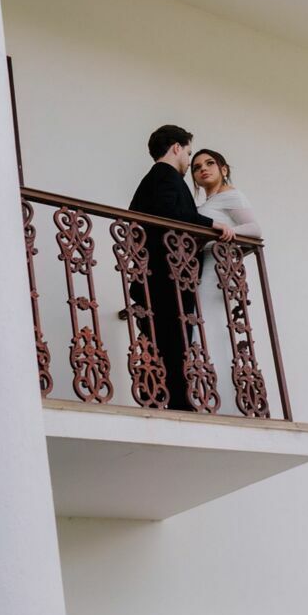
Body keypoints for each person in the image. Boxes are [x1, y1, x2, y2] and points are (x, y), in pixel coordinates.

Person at [129, 125, 233, 411]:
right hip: (167, 276)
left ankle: (165, 400)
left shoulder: (154, 179)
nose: (189, 162)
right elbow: (174, 215)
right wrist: (213, 225)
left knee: (164, 340)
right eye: (188, 153)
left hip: (161, 275)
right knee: (173, 341)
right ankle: (176, 404)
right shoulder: (165, 176)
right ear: (176, 148)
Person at [191, 148, 262, 415]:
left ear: (223, 168)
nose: (203, 169)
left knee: (207, 323)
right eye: (197, 167)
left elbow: (255, 229)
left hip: (215, 268)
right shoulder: (206, 203)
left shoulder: (231, 195)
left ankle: (223, 400)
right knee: (200, 324)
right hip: (203, 266)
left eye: (210, 163)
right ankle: (206, 391)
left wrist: (229, 231)